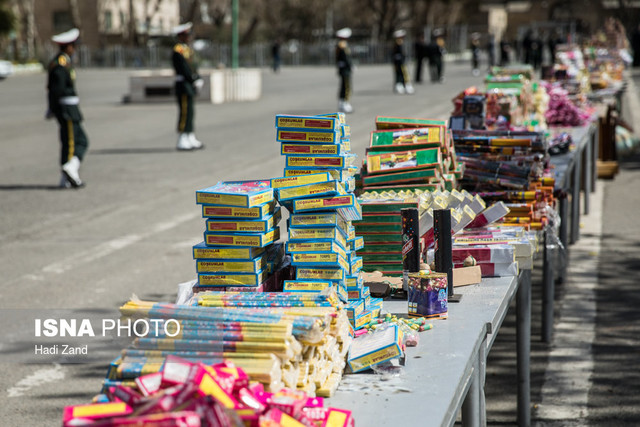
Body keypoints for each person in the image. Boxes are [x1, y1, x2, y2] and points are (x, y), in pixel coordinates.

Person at [46, 28, 88, 188]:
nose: (75, 49)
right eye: (73, 46)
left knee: (68, 142)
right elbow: (56, 89)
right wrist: (53, 107)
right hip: (67, 109)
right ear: (68, 47)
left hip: (67, 107)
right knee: (77, 142)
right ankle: (71, 169)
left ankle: (65, 178)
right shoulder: (60, 63)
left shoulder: (61, 61)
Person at [172, 22, 204, 151]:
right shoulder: (178, 50)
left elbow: (193, 66)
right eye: (186, 35)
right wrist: (193, 78)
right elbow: (184, 68)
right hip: (183, 84)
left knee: (190, 111)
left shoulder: (187, 49)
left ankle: (190, 135)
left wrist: (198, 78)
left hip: (189, 84)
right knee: (185, 112)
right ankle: (182, 138)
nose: (189, 37)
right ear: (181, 36)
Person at [335, 27, 353, 113]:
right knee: (346, 86)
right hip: (345, 70)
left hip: (342, 69)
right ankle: (345, 102)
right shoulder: (343, 45)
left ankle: (342, 102)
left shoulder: (340, 45)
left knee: (343, 86)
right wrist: (350, 65)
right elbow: (346, 58)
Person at [392, 29, 413, 94]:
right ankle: (400, 85)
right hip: (399, 62)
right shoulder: (398, 43)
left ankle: (402, 85)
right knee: (401, 74)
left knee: (403, 74)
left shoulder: (399, 43)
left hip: (400, 62)